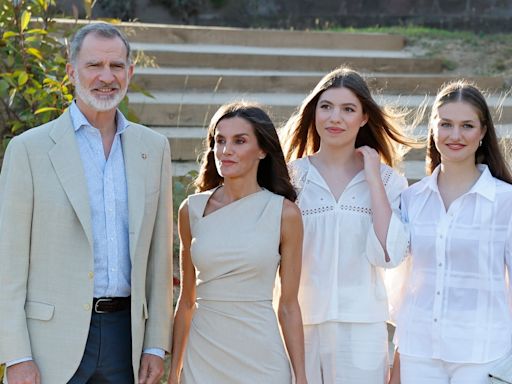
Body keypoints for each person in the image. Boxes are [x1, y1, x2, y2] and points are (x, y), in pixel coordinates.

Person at [0, 23, 173, 384]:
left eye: (117, 66)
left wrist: (156, 344)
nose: (106, 77)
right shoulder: (28, 150)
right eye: (94, 65)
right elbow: (8, 261)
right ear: (71, 72)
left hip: (126, 340)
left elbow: (159, 258)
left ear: (130, 72)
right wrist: (16, 354)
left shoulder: (153, 149)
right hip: (50, 343)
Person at [281, 66, 413, 384]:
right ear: (314, 113)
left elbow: (388, 256)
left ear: (364, 117)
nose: (335, 118)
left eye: (348, 109)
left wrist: (372, 179)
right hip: (299, 326)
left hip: (363, 329)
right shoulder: (289, 178)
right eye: (326, 107)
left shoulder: (389, 182)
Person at [168, 102, 307, 384]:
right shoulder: (191, 210)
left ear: (262, 150)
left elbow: (289, 305)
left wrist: (301, 377)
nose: (226, 150)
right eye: (220, 141)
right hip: (203, 355)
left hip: (261, 355)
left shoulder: (284, 213)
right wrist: (174, 373)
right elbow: (186, 301)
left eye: (239, 141)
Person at [389, 81, 512, 384]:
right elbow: (405, 281)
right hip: (418, 350)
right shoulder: (411, 199)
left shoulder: (506, 201)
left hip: (483, 352)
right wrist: (399, 357)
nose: (455, 136)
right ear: (432, 128)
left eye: (467, 126)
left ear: (483, 132)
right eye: (446, 124)